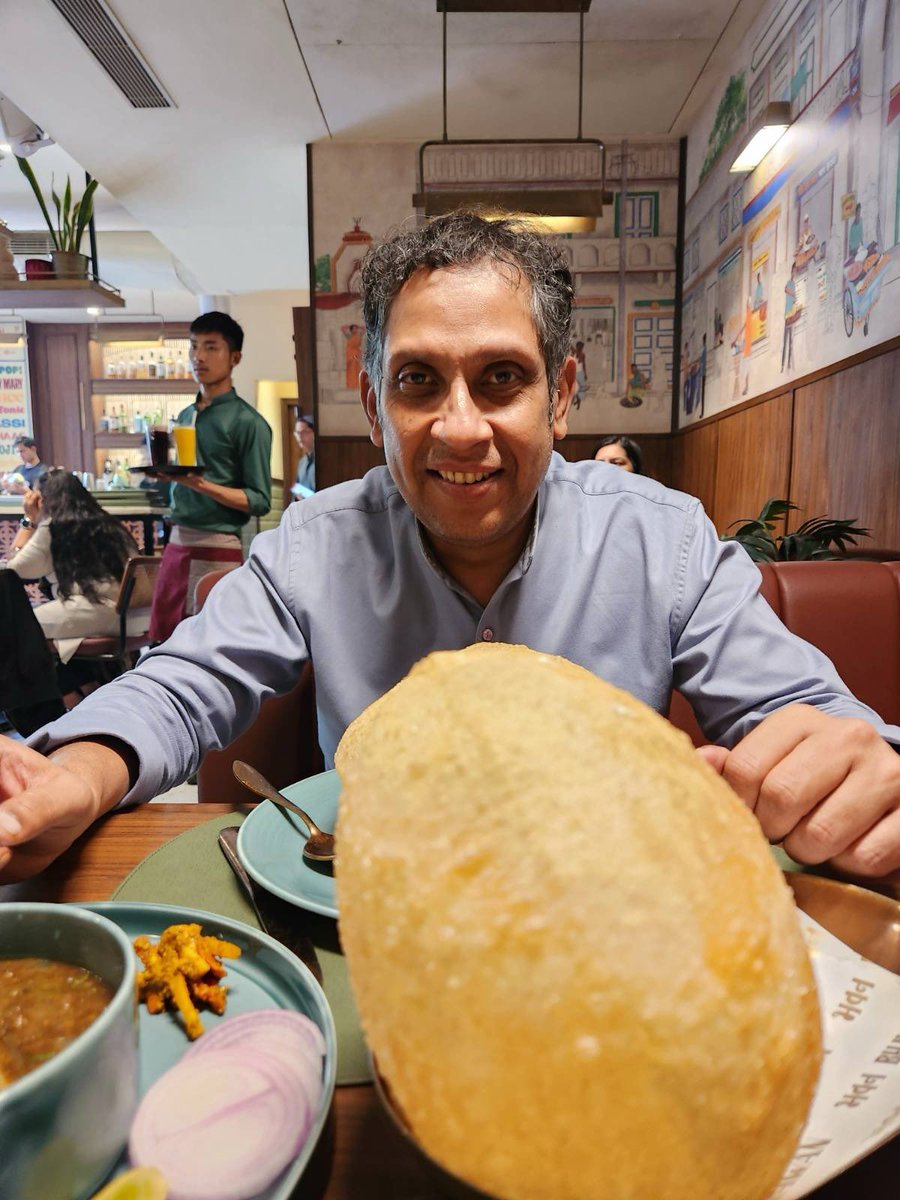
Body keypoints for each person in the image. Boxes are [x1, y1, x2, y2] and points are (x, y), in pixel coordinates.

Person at [1, 211, 899, 886]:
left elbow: (806, 713)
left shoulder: (664, 540)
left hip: (607, 914)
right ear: (374, 397)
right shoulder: (312, 546)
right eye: (419, 381)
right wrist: (71, 780)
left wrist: (859, 766)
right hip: (373, 918)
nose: (460, 430)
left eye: (502, 378)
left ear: (561, 394)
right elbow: (183, 685)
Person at [147, 312, 273, 643]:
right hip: (176, 544)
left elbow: (259, 501)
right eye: (193, 347)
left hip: (217, 548)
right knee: (164, 644)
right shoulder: (187, 415)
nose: (198, 357)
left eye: (211, 347)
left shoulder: (249, 422)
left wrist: (199, 485)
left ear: (235, 358)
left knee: (211, 647)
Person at [4, 469, 138, 694]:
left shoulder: (55, 526)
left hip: (96, 611)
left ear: (43, 499)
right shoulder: (109, 523)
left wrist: (29, 521)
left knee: (16, 629)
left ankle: (69, 700)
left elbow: (13, 571)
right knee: (41, 635)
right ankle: (86, 689)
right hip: (132, 617)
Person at [291, 413, 316, 499]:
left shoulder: (324, 460)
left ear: (314, 433)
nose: (300, 437)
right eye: (297, 433)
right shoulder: (302, 463)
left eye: (304, 432)